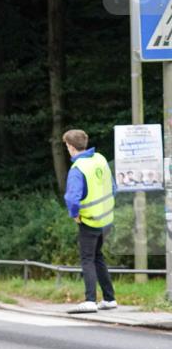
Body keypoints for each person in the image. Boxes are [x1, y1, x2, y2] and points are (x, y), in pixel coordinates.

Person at [62, 129, 117, 313]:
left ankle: (90, 300)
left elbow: (72, 198)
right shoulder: (100, 159)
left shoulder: (78, 168)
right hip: (106, 219)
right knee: (97, 256)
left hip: (90, 220)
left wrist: (74, 215)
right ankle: (109, 298)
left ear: (70, 146)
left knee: (87, 259)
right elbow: (113, 187)